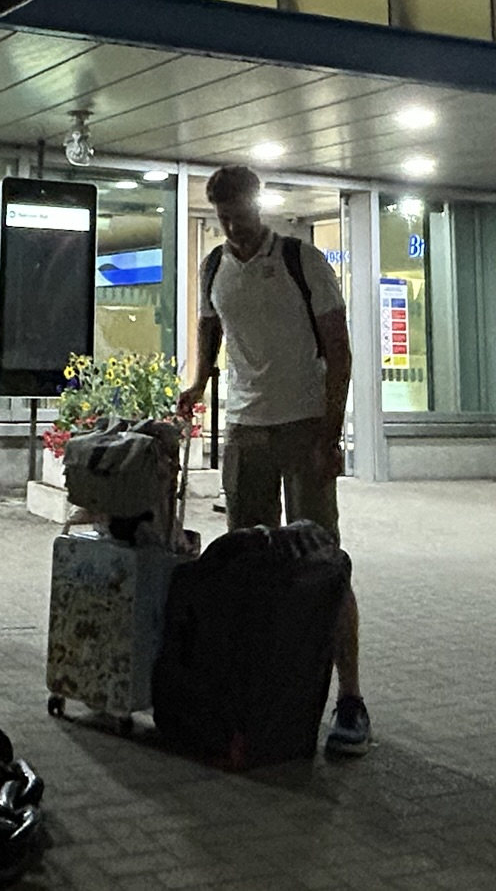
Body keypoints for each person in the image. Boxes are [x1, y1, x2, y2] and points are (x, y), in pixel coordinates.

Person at [176, 165, 369, 759]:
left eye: (240, 215)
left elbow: (339, 352)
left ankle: (350, 698)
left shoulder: (301, 260)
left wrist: (329, 436)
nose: (232, 227)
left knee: (323, 559)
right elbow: (210, 331)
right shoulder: (214, 266)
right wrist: (197, 383)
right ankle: (261, 686)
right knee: (248, 563)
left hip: (303, 425)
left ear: (257, 206)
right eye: (223, 217)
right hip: (244, 430)